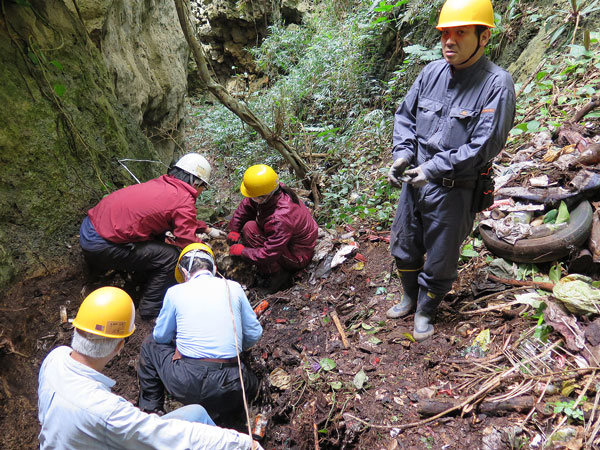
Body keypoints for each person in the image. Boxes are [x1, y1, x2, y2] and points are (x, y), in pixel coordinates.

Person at [386, 0, 516, 340]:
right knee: (404, 243)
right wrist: (402, 155)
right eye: (445, 32)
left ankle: (426, 311)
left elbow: (483, 146)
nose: (450, 41)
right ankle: (408, 298)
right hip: (415, 180)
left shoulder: (496, 84)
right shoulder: (431, 73)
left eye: (461, 32)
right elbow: (405, 117)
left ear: (484, 36)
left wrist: (434, 167)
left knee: (441, 258)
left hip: (454, 187)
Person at [38, 286, 263, 450]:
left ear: (77, 328)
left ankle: (152, 408)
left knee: (197, 412)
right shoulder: (108, 412)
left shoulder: (54, 359)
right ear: (119, 346)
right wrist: (243, 444)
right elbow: (172, 437)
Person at [79, 153, 225, 320]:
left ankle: (141, 279)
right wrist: (206, 251)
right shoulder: (184, 199)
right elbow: (186, 238)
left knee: (160, 237)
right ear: (195, 182)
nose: (201, 191)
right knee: (172, 257)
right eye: (203, 187)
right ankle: (150, 309)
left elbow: (170, 216)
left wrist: (206, 229)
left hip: (91, 227)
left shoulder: (163, 183)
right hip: (101, 244)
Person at [138, 243, 263, 423]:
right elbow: (254, 333)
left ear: (183, 272)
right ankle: (232, 417)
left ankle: (151, 409)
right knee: (251, 382)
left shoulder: (174, 292)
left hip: (187, 383)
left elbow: (161, 337)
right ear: (214, 268)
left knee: (150, 344)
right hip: (234, 385)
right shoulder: (233, 287)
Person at [227, 164, 318, 292]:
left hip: (298, 254)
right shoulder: (272, 190)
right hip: (287, 240)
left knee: (251, 231)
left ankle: (277, 276)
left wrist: (243, 252)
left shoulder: (280, 217)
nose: (250, 198)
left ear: (263, 196)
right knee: (249, 227)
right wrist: (234, 229)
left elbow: (269, 253)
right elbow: (247, 204)